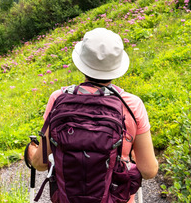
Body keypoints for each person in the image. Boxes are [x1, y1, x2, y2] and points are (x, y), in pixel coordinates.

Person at [26, 28, 158, 202]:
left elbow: (40, 163)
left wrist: (31, 151)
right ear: (117, 66)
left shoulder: (58, 99)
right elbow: (148, 171)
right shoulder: (132, 104)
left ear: (82, 62)